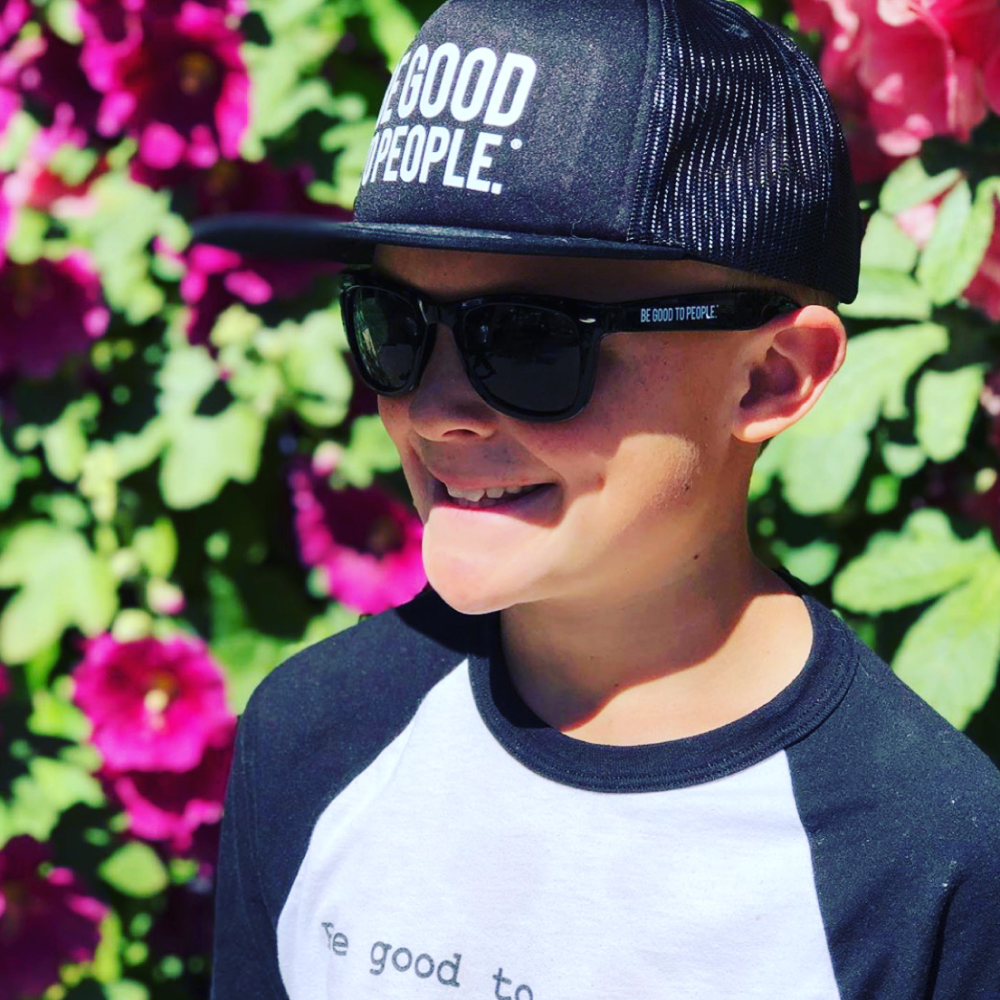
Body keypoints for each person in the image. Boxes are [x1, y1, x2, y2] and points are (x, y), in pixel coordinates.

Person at [196, 0, 1000, 997]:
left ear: (771, 376)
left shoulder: (930, 862)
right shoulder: (315, 734)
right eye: (394, 324)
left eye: (530, 338)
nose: (436, 408)